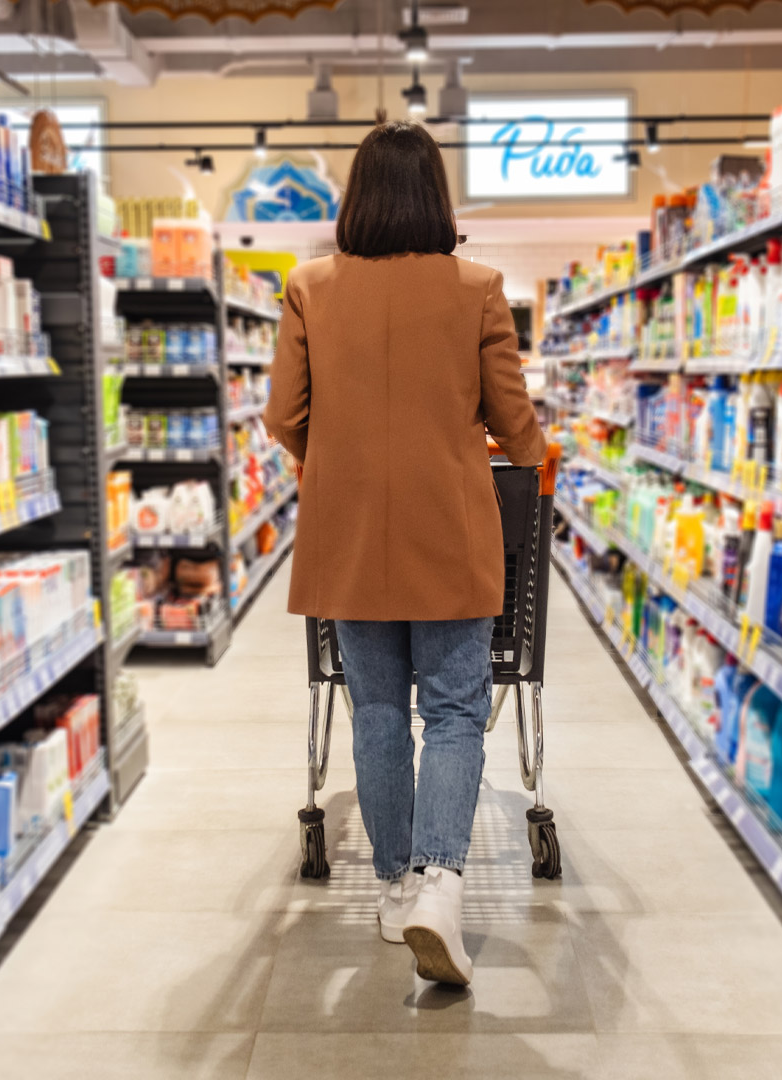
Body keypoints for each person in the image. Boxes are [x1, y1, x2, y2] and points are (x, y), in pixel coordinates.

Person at [263, 120, 545, 987]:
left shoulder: (309, 287)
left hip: (347, 533)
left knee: (377, 712)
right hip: (451, 531)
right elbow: (512, 421)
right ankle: (442, 883)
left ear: (356, 196)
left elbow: (281, 415)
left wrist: (335, 447)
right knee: (456, 713)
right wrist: (528, 456)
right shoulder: (478, 287)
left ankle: (392, 885)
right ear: (435, 196)